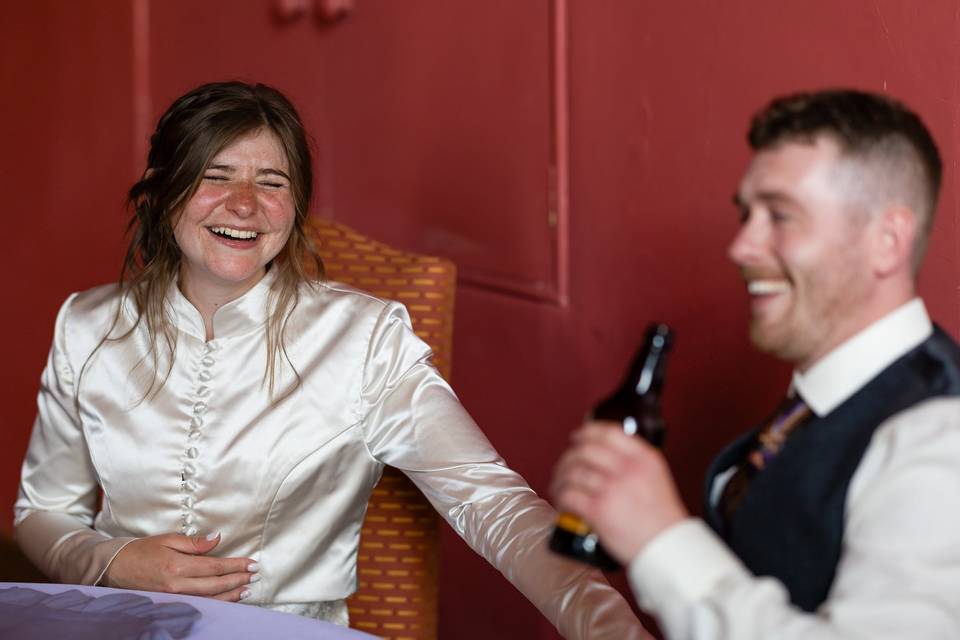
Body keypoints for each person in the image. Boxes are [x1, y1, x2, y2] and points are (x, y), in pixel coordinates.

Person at [14, 81, 649, 638]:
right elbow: (41, 513)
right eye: (215, 175)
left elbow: (491, 503)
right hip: (118, 627)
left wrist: (608, 628)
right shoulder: (87, 325)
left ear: (296, 208)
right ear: (162, 192)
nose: (244, 203)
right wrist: (112, 561)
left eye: (272, 182)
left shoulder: (366, 339)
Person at [551, 89, 960, 639]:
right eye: (747, 214)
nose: (741, 246)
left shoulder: (939, 439)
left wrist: (660, 538)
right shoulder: (822, 399)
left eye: (780, 216)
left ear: (886, 242)